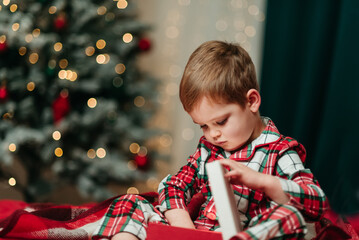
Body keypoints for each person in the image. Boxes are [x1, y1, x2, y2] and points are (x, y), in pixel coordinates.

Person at [93, 40, 329, 240]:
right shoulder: (209, 148)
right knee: (130, 202)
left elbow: (316, 203)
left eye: (221, 121)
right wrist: (185, 230)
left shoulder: (280, 151)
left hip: (247, 233)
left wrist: (260, 180)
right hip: (201, 233)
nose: (212, 134)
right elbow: (174, 185)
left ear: (252, 101)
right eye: (203, 126)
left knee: (290, 217)